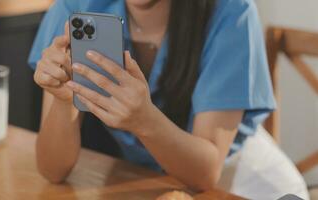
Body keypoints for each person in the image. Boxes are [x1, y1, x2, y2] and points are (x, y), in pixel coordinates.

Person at [28, 0, 309, 199]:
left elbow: (206, 173)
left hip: (243, 181)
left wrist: (144, 120)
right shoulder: (75, 9)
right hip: (146, 181)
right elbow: (53, 171)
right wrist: (64, 101)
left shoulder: (232, 12)